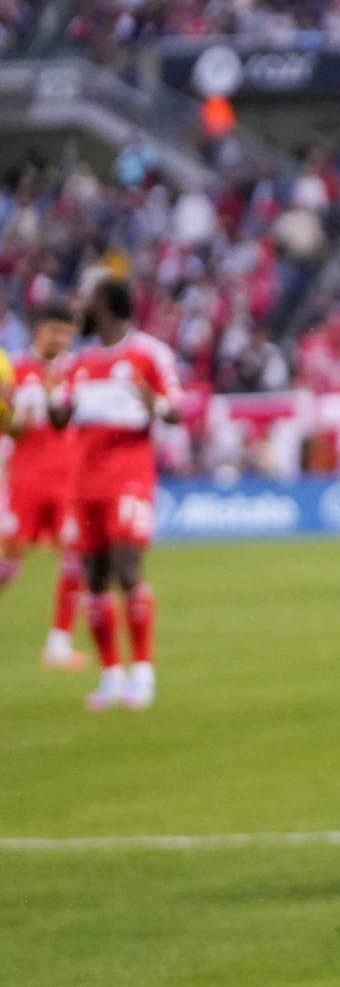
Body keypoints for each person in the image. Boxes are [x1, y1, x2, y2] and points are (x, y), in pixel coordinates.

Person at [52, 279, 182, 711]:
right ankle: (111, 675)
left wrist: (155, 405)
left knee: (128, 568)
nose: (81, 311)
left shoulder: (149, 354)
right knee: (94, 577)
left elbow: (177, 410)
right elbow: (60, 417)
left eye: (88, 302)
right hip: (84, 482)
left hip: (129, 477)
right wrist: (55, 408)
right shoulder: (78, 363)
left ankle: (142, 673)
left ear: (105, 306)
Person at [1, 303, 88, 670]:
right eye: (55, 330)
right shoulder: (14, 372)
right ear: (39, 329)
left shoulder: (77, 372)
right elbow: (10, 430)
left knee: (76, 557)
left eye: (67, 332)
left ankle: (59, 643)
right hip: (25, 479)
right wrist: (11, 416)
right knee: (9, 559)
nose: (62, 339)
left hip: (69, 481)